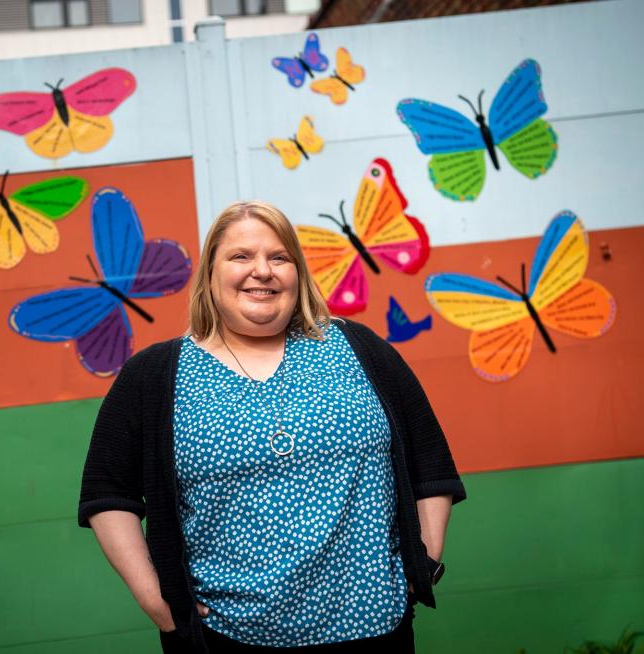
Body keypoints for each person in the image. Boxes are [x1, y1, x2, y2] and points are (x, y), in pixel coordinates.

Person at [78, 201, 466, 653]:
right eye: (240, 256)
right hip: (226, 638)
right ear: (210, 273)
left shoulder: (358, 349)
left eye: (278, 258)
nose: (261, 270)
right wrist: (155, 600)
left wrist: (425, 560)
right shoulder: (154, 374)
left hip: (376, 630)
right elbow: (108, 494)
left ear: (297, 273)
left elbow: (431, 464)